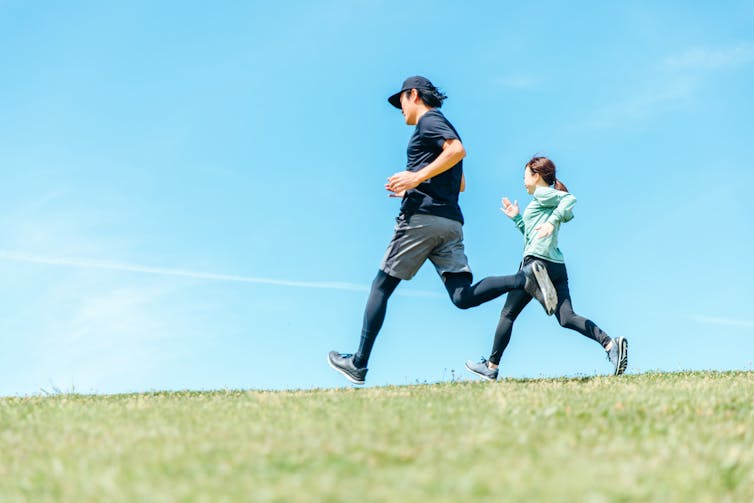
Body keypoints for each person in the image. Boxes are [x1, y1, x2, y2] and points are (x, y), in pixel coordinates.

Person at [328, 76, 557, 385]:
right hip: (450, 223)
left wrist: (413, 179)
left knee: (381, 286)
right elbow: (459, 182)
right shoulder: (441, 127)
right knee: (462, 297)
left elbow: (457, 150)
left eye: (402, 102)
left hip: (421, 220)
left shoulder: (430, 121)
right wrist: (417, 182)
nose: (400, 110)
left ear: (414, 95)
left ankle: (359, 363)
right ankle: (524, 278)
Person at [465, 156, 628, 380]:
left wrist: (552, 222)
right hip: (556, 266)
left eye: (524, 176)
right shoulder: (542, 201)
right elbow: (533, 235)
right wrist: (517, 219)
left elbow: (570, 199)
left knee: (508, 313)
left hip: (535, 264)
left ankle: (491, 367)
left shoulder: (544, 194)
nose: (523, 182)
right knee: (566, 317)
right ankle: (610, 344)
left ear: (536, 175)